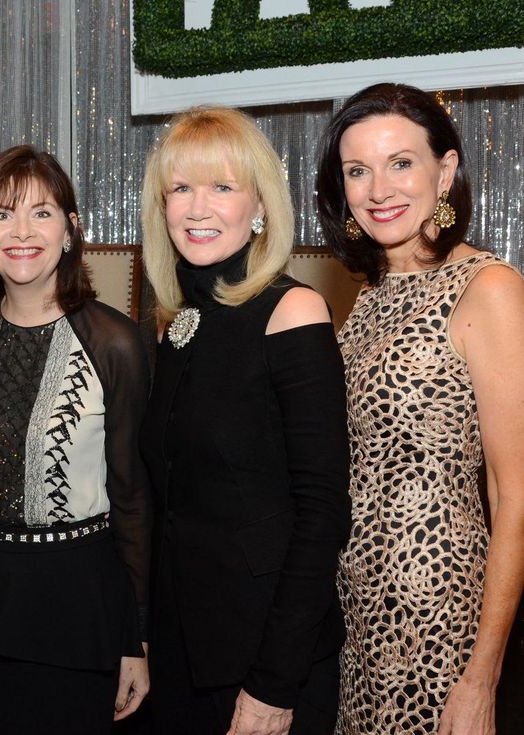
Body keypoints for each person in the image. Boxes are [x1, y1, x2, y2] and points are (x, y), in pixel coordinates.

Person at [315, 82, 524, 735]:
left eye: (401, 162)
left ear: (447, 169)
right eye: (358, 169)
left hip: (441, 619)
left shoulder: (488, 286)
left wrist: (481, 675)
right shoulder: (367, 294)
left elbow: (515, 491)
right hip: (356, 616)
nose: (379, 188)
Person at [139, 106, 351, 735]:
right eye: (181, 189)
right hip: (181, 649)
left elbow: (321, 515)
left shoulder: (294, 312)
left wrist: (273, 683)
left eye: (222, 187)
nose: (197, 208)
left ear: (259, 205)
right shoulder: (176, 322)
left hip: (264, 657)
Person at [0, 144, 151, 733]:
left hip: (74, 603)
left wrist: (137, 636)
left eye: (42, 212)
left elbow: (133, 495)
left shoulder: (115, 343)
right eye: (3, 213)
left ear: (70, 229)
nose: (22, 231)